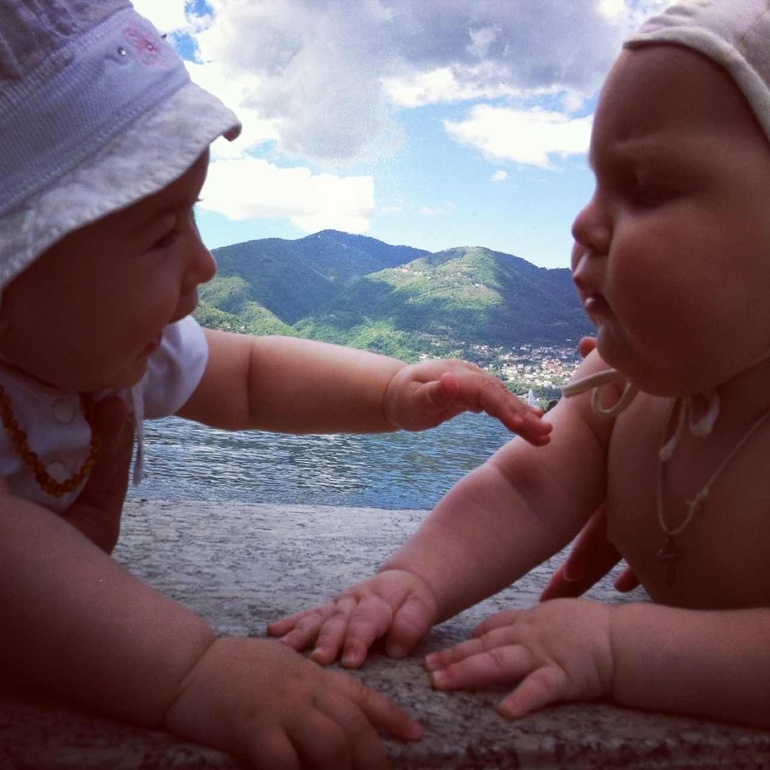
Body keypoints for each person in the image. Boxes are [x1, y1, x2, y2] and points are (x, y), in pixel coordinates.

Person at [0, 2, 552, 768]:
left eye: (193, 218)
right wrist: (191, 669)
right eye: (162, 234)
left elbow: (251, 376)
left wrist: (395, 391)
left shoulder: (104, 352)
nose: (206, 263)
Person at [270, 0, 770, 729]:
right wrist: (413, 580)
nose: (582, 223)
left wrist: (617, 647)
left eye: (648, 189)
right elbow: (524, 487)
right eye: (595, 184)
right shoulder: (618, 390)